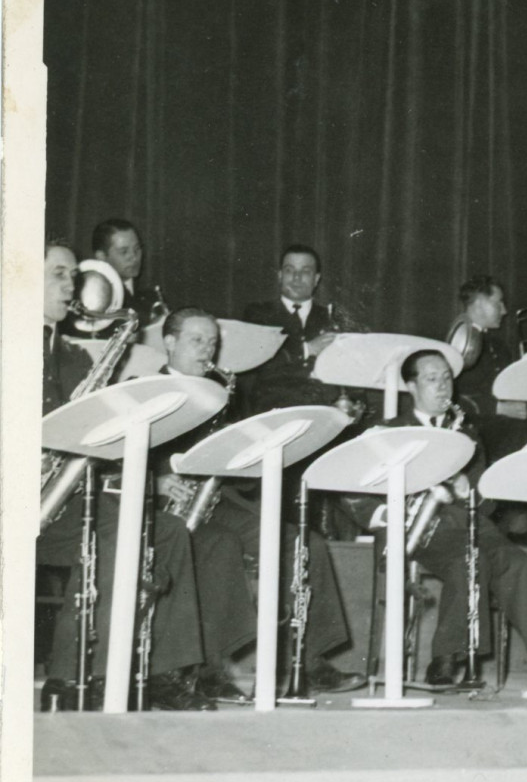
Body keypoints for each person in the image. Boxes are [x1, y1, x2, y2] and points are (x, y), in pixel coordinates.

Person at [344, 350, 527, 692]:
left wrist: (469, 493)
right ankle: (445, 659)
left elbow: (488, 502)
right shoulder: (388, 431)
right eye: (432, 379)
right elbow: (350, 485)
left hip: (472, 527)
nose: (443, 386)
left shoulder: (468, 434)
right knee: (470, 561)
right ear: (411, 386)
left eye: (447, 378)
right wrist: (382, 516)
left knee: (523, 568)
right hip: (416, 531)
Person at [153, 307, 368, 698]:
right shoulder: (145, 388)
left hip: (218, 502)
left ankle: (311, 660)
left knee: (305, 544)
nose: (207, 351)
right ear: (169, 342)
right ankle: (208, 671)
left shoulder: (219, 395)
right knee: (220, 547)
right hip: (167, 512)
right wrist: (157, 481)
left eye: (212, 343)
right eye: (196, 340)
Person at [37, 242, 214, 711]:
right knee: (115, 531)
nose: (71, 285)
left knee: (168, 530)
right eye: (58, 273)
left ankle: (163, 673)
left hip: (63, 499)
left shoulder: (74, 357)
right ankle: (72, 677)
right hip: (19, 500)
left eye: (74, 276)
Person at [241, 244, 353, 415]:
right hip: (271, 415)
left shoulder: (333, 318)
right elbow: (260, 363)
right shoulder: (258, 314)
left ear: (316, 279)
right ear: (280, 276)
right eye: (289, 270)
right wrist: (308, 349)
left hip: (324, 416)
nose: (296, 277)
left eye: (305, 271)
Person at [448, 275, 527, 460]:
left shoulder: (499, 345)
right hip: (471, 429)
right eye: (498, 303)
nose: (505, 310)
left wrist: (526, 404)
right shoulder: (455, 341)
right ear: (478, 304)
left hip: (502, 429)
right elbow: (449, 399)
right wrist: (497, 408)